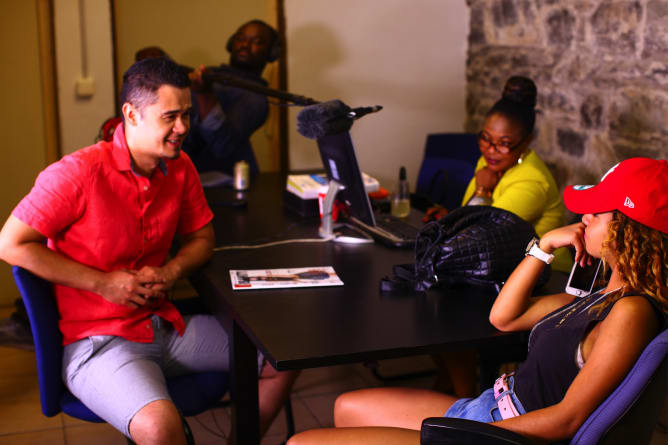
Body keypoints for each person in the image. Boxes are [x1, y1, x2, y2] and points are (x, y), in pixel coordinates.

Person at [0, 57, 296, 445]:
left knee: (283, 357)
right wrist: (103, 283)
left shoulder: (181, 168)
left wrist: (171, 272)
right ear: (131, 114)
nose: (183, 129)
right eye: (171, 117)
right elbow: (10, 244)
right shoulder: (77, 172)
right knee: (160, 427)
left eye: (187, 115)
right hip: (98, 341)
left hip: (163, 326)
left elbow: (202, 240)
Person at [285, 157, 667, 445]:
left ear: (628, 231)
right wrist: (544, 246)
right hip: (490, 407)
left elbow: (568, 420)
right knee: (345, 408)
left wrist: (470, 435)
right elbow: (504, 317)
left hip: (500, 435)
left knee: (301, 443)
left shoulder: (630, 312)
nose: (582, 218)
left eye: (596, 214)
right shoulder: (601, 294)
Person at [425, 76, 571, 273]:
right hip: (502, 266)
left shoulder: (532, 181)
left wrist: (483, 191)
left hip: (547, 276)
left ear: (527, 141)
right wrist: (450, 219)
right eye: (485, 138)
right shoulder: (491, 161)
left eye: (504, 143)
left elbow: (480, 239)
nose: (490, 150)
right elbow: (469, 222)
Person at [184, 19, 280, 176]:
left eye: (256, 41)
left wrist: (204, 94)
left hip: (220, 185)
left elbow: (223, 145)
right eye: (240, 39)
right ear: (231, 43)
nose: (245, 45)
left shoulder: (256, 98)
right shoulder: (210, 74)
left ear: (271, 53)